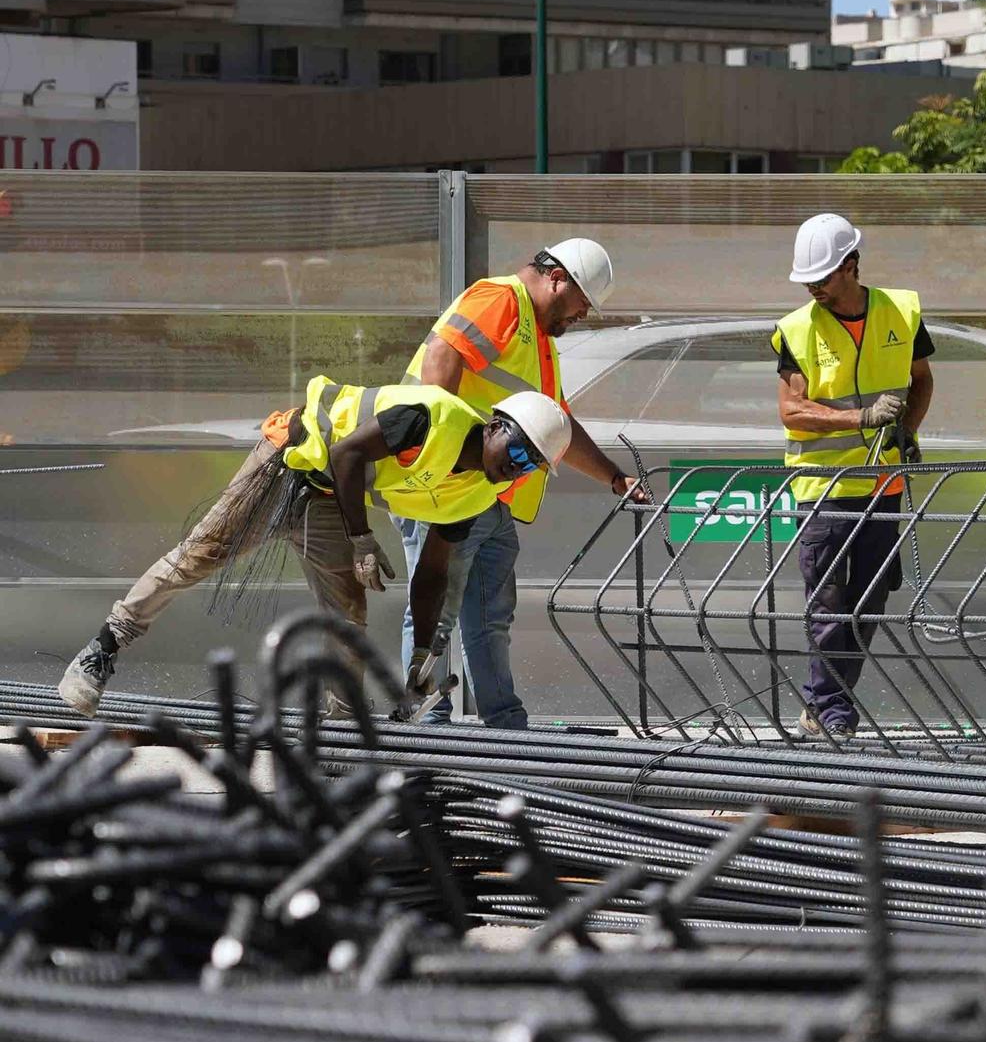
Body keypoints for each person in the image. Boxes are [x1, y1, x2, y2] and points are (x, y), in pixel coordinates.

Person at [57, 376, 569, 717]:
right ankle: (102, 650)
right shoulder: (431, 416)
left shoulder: (478, 494)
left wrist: (421, 655)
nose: (516, 467)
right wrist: (362, 539)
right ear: (497, 426)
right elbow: (347, 453)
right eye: (518, 451)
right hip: (287, 461)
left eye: (530, 466)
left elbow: (433, 572)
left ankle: (341, 727)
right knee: (199, 555)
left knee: (348, 613)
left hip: (329, 497)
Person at [396, 237, 648, 730]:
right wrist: (441, 460)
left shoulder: (537, 341)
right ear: (558, 278)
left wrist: (614, 477)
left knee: (489, 617)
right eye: (582, 304)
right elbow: (440, 361)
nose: (582, 316)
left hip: (486, 497)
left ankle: (504, 725)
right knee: (434, 612)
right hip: (446, 489)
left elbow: (557, 429)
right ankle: (425, 725)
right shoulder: (501, 300)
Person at [774, 212, 935, 739]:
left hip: (882, 487)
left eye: (823, 276)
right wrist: (858, 418)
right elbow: (792, 412)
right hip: (823, 489)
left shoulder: (902, 312)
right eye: (808, 280)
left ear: (852, 265)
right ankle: (831, 714)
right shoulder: (797, 330)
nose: (814, 288)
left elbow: (921, 379)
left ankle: (825, 709)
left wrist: (907, 430)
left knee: (869, 602)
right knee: (828, 603)